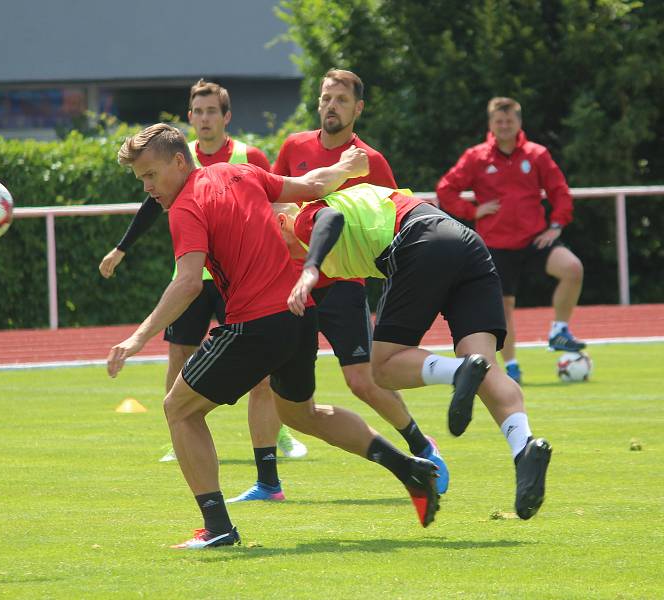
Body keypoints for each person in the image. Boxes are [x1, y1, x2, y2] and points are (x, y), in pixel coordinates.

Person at [107, 123, 441, 549]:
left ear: (178, 161)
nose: (149, 187)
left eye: (151, 175)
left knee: (179, 409)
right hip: (298, 316)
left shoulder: (186, 206)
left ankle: (218, 527)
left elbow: (188, 282)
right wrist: (346, 164)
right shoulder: (237, 172)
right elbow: (312, 184)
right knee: (302, 414)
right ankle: (410, 468)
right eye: (141, 180)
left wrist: (136, 338)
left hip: (255, 324)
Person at [228, 68, 450, 504]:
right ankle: (268, 483)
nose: (332, 106)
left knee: (363, 382)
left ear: (358, 109)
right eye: (326, 98)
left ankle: (422, 446)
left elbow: (393, 223)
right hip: (295, 284)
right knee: (266, 381)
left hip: (344, 285)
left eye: (341, 101)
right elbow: (275, 197)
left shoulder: (371, 160)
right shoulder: (295, 146)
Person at [283, 182, 553, 521]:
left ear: (281, 222)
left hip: (418, 240)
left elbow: (330, 219)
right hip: (465, 242)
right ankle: (524, 447)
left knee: (382, 368)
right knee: (488, 369)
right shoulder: (331, 240)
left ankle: (458, 371)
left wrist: (309, 267)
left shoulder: (305, 216)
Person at [99, 79, 308, 462]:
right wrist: (122, 248)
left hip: (241, 282)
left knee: (262, 366)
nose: (205, 117)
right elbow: (152, 207)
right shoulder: (171, 159)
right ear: (190, 116)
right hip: (196, 275)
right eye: (198, 111)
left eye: (212, 110)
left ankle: (276, 434)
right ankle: (177, 436)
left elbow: (276, 201)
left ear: (225, 116)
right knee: (180, 355)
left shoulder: (247, 157)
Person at [436, 97, 585, 385]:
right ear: (491, 123)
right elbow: (446, 189)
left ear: (519, 122)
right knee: (503, 308)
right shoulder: (476, 157)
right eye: (499, 121)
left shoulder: (537, 154)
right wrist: (472, 211)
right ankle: (513, 366)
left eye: (509, 121)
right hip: (495, 243)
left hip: (535, 239)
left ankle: (559, 330)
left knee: (573, 269)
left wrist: (556, 225)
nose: (504, 126)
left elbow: (560, 191)